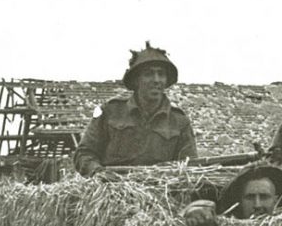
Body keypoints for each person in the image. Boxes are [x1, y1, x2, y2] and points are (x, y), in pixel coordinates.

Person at [74, 42, 198, 177]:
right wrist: (98, 173)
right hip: (113, 189)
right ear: (136, 80)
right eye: (149, 74)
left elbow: (189, 166)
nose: (156, 80)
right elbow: (84, 153)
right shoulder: (111, 112)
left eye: (161, 74)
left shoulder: (179, 121)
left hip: (162, 191)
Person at [182, 163, 282, 226]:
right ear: (240, 201)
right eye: (250, 197)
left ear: (276, 200)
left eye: (264, 197)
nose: (257, 204)